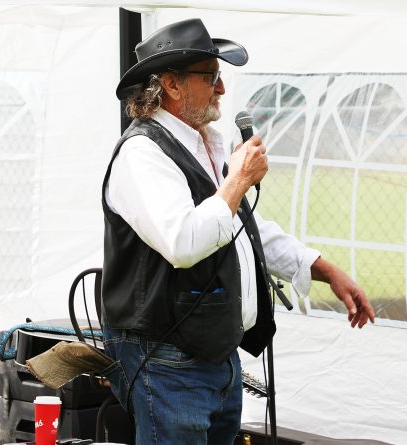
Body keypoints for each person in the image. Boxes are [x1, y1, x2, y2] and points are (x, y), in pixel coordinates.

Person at [100, 18, 375, 444]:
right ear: (171, 86)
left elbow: (245, 227)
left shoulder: (204, 144)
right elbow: (184, 243)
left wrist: (324, 269)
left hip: (214, 355)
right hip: (167, 362)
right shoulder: (142, 153)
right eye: (211, 76)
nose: (222, 89)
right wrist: (239, 179)